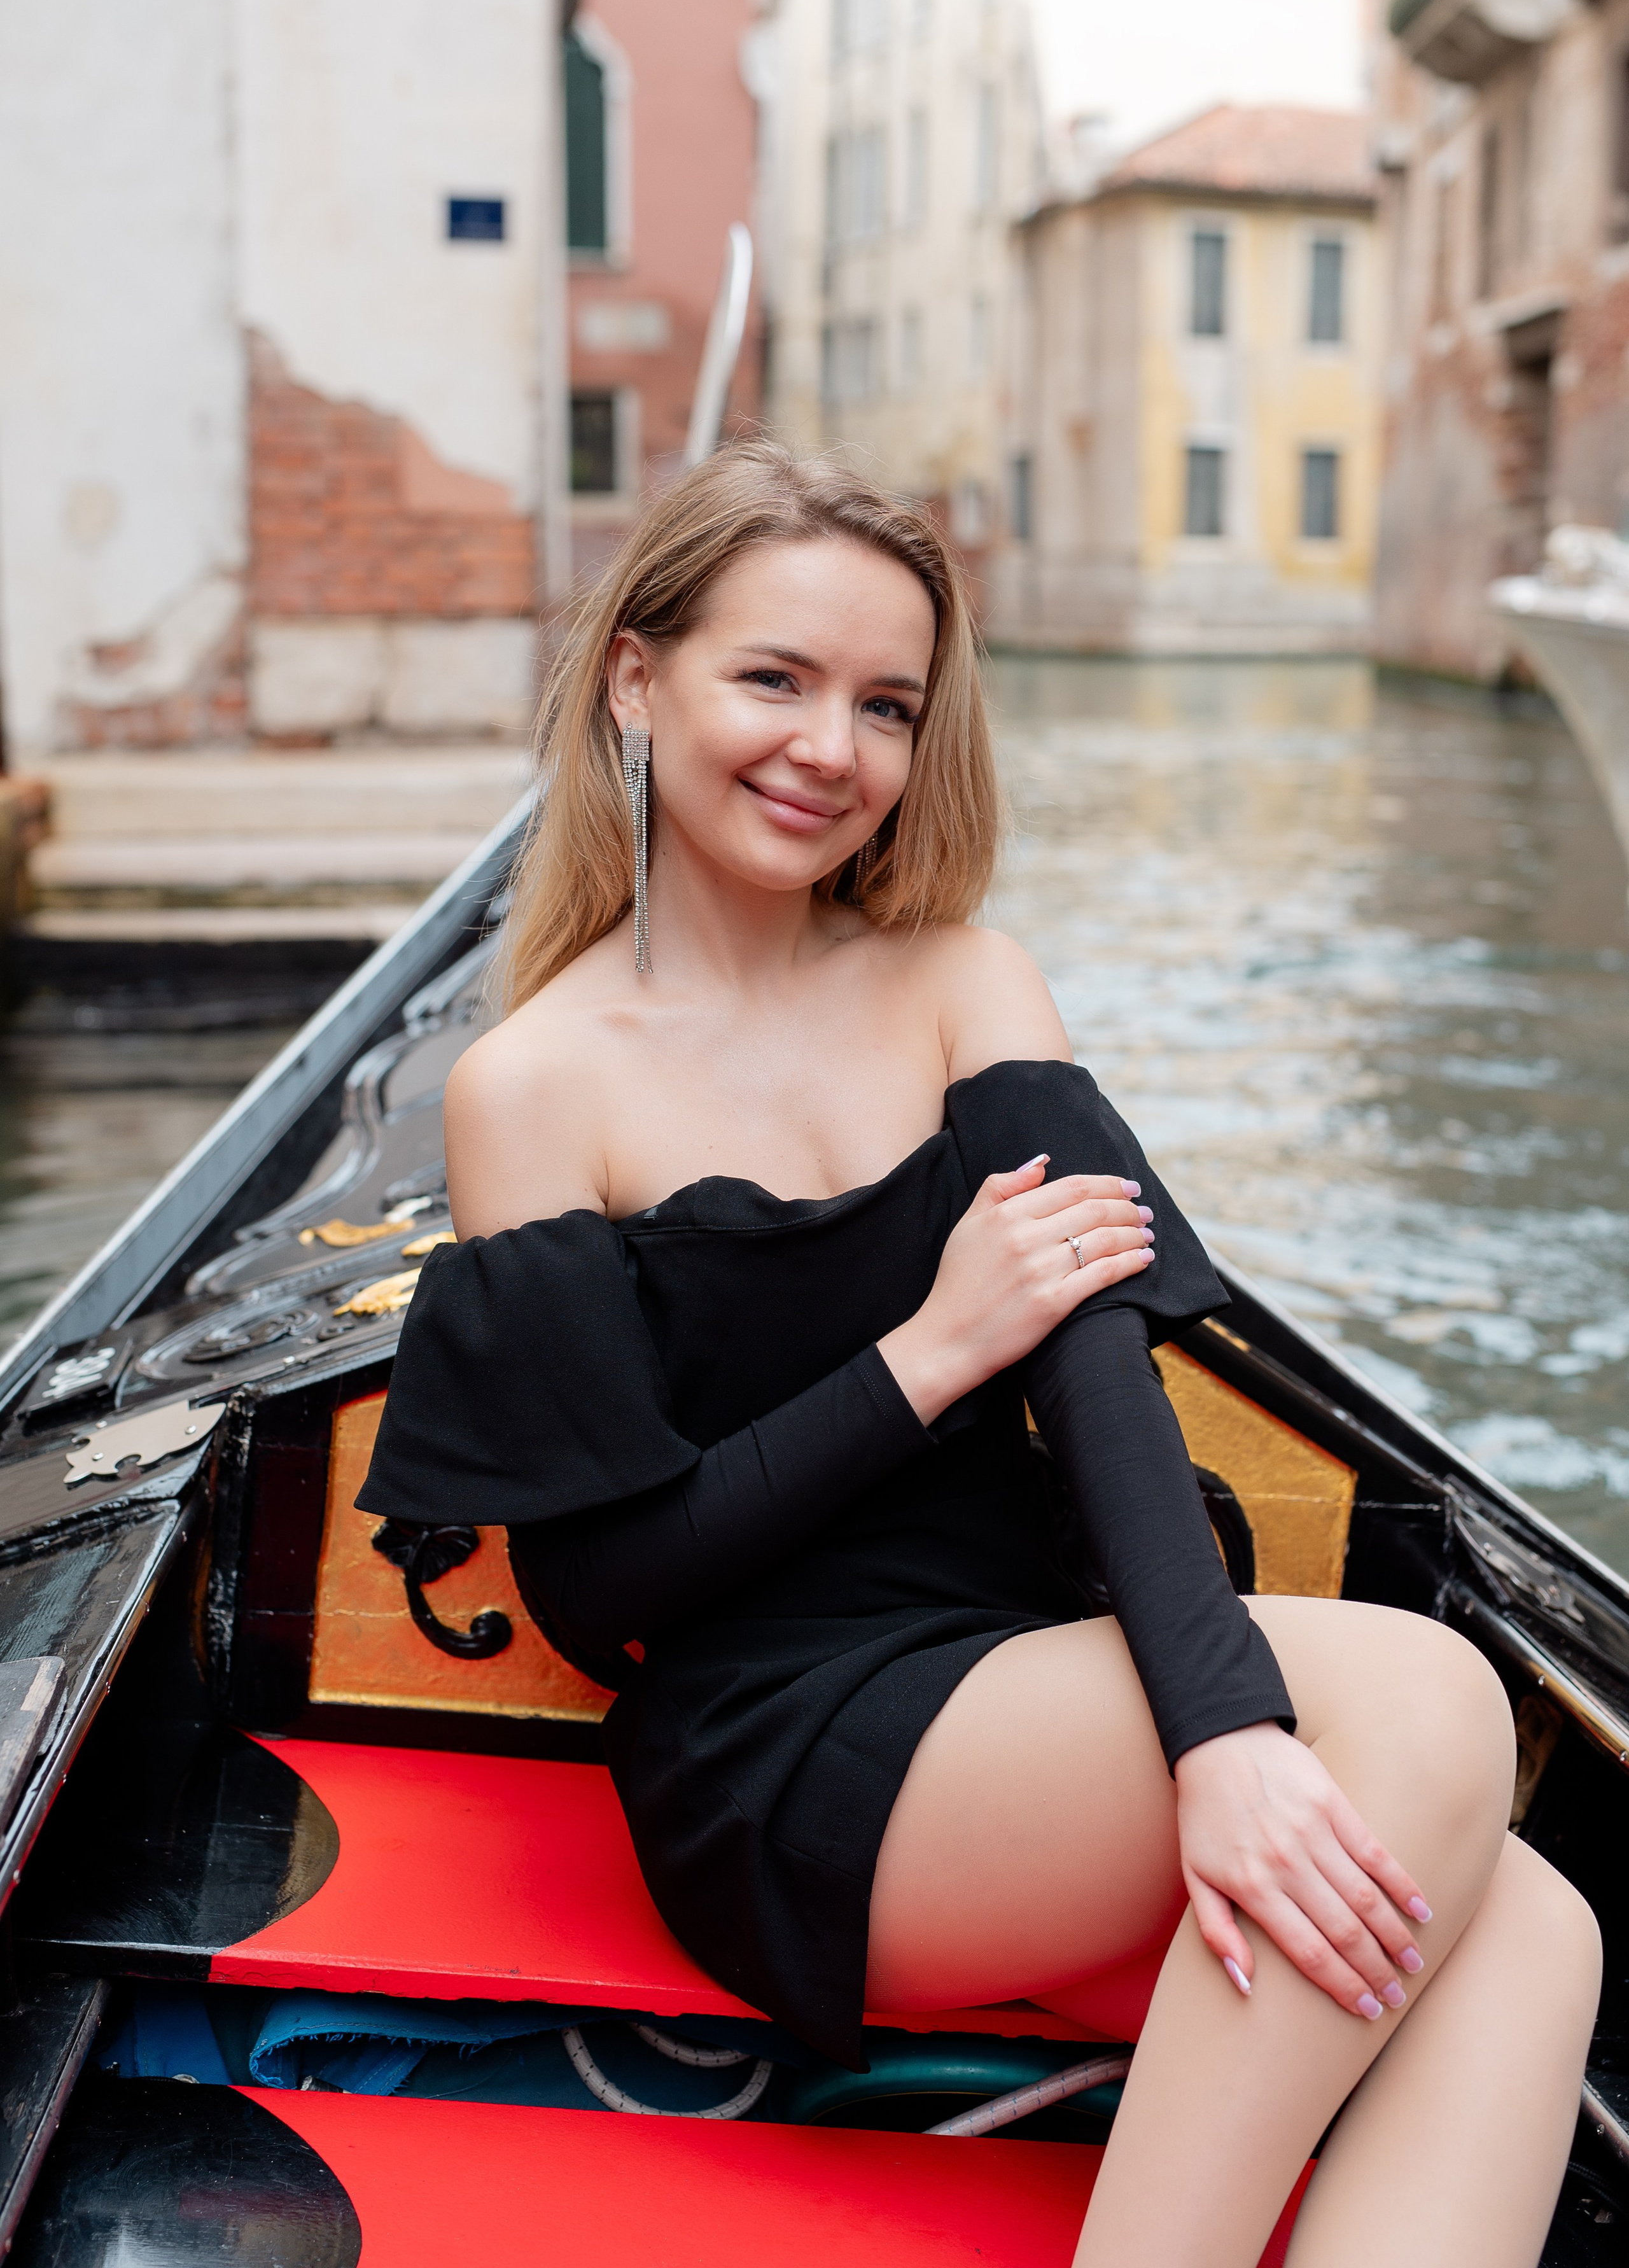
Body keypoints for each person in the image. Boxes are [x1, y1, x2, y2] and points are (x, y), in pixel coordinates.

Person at [358, 442, 1600, 2266]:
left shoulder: (965, 982)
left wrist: (1220, 1737)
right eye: (773, 679)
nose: (830, 748)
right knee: (1425, 1701)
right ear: (635, 678)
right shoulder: (535, 1086)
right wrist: (933, 1352)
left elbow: (1101, 1382)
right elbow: (600, 1589)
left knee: (1535, 1931)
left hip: (1034, 1681)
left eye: (885, 704)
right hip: (787, 1748)